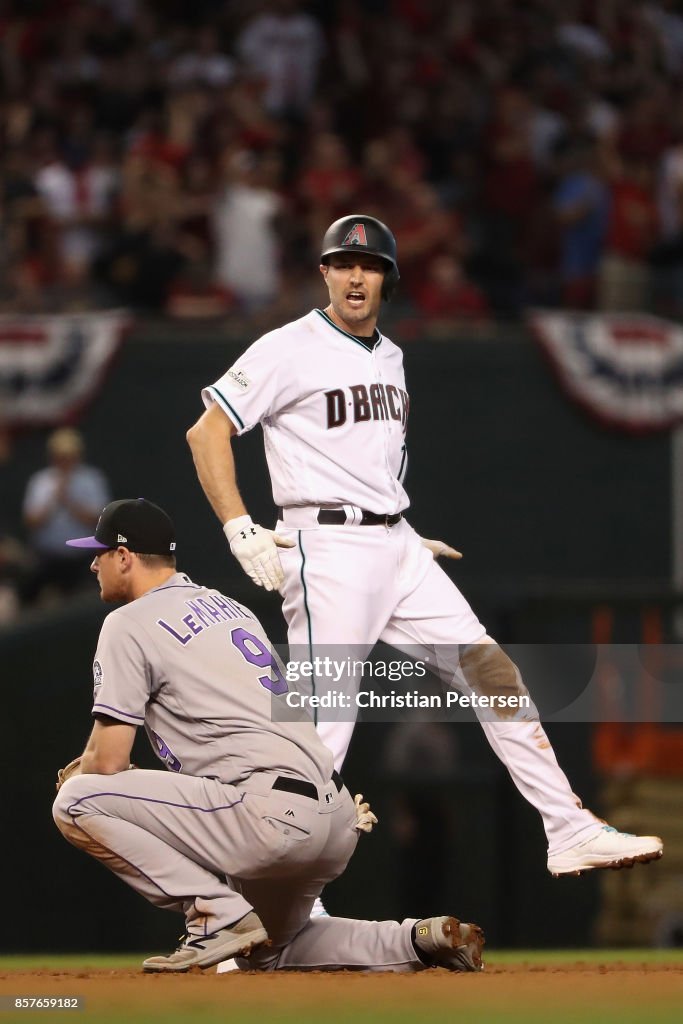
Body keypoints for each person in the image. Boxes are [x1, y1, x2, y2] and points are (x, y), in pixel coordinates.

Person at [186, 213, 663, 878]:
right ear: (323, 273)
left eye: (370, 266)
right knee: (320, 737)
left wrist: (397, 526)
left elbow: (379, 462)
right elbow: (205, 433)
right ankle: (256, 894)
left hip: (395, 547)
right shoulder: (285, 348)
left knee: (493, 674)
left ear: (387, 280)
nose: (356, 276)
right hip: (325, 550)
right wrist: (238, 525)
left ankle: (568, 828)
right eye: (343, 264)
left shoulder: (391, 357)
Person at [52, 497, 484, 974]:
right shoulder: (230, 607)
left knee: (75, 801)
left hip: (267, 815)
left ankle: (213, 915)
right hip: (336, 813)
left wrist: (85, 774)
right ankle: (419, 939)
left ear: (125, 556)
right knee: (272, 949)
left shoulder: (127, 622)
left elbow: (109, 761)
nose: (93, 563)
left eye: (100, 552)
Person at [21, 427, 110, 604]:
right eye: (60, 455)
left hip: (84, 558)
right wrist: (54, 500)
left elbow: (100, 519)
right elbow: (31, 521)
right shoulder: (41, 482)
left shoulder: (91, 479)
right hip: (48, 557)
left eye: (69, 455)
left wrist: (69, 502)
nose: (65, 460)